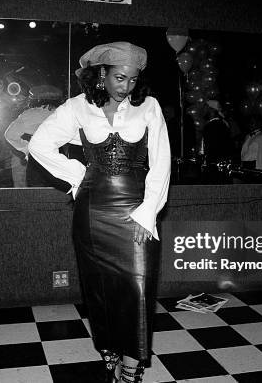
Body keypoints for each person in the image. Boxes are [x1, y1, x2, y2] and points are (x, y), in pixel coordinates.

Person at [29, 42, 170, 383]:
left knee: (138, 289)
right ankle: (109, 348)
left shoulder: (148, 106)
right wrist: (79, 176)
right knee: (99, 288)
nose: (126, 87)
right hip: (92, 213)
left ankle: (132, 366)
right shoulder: (78, 107)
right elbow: (38, 145)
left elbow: (162, 163)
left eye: (133, 79)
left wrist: (147, 212)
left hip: (136, 213)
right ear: (101, 74)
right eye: (120, 78)